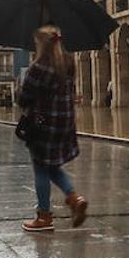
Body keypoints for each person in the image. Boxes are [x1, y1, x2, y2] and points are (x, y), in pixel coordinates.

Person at [19, 24, 89, 232]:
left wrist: (22, 87)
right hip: (65, 122)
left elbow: (24, 98)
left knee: (41, 168)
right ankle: (74, 199)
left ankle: (44, 216)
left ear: (41, 45)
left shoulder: (39, 67)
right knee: (51, 167)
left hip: (42, 124)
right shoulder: (68, 63)